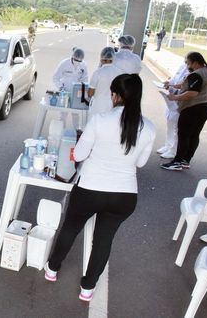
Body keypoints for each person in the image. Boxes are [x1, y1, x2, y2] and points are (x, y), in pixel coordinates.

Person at [44, 74, 155, 302]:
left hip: (90, 189)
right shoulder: (149, 127)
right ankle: (88, 288)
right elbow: (141, 163)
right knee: (104, 240)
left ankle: (52, 269)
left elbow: (81, 154)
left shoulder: (99, 120)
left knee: (71, 228)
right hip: (124, 196)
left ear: (115, 95)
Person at [161, 52, 207, 171]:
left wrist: (174, 97)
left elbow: (192, 93)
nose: (186, 65)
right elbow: (188, 85)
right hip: (206, 106)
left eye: (188, 62)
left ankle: (177, 161)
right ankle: (186, 160)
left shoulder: (197, 74)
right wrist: (173, 85)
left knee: (184, 135)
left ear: (195, 62)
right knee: (194, 135)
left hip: (193, 108)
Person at [157, 53, 192, 159]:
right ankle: (168, 145)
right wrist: (169, 82)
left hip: (180, 100)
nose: (185, 64)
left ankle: (173, 150)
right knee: (170, 124)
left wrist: (172, 86)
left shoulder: (192, 72)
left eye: (187, 62)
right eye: (185, 61)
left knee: (177, 127)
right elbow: (175, 78)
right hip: (172, 98)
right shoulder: (182, 67)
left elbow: (183, 85)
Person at [52, 47, 89, 128]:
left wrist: (81, 87)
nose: (78, 62)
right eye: (76, 60)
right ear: (72, 56)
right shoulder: (64, 63)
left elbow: (85, 79)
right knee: (63, 115)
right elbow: (55, 77)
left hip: (77, 92)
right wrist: (60, 87)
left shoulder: (83, 65)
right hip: (65, 91)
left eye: (80, 61)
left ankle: (77, 134)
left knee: (76, 114)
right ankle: (60, 132)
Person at [87, 47, 122, 120]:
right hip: (113, 107)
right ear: (113, 58)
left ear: (101, 58)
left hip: (98, 107)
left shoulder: (97, 73)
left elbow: (90, 93)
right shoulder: (120, 73)